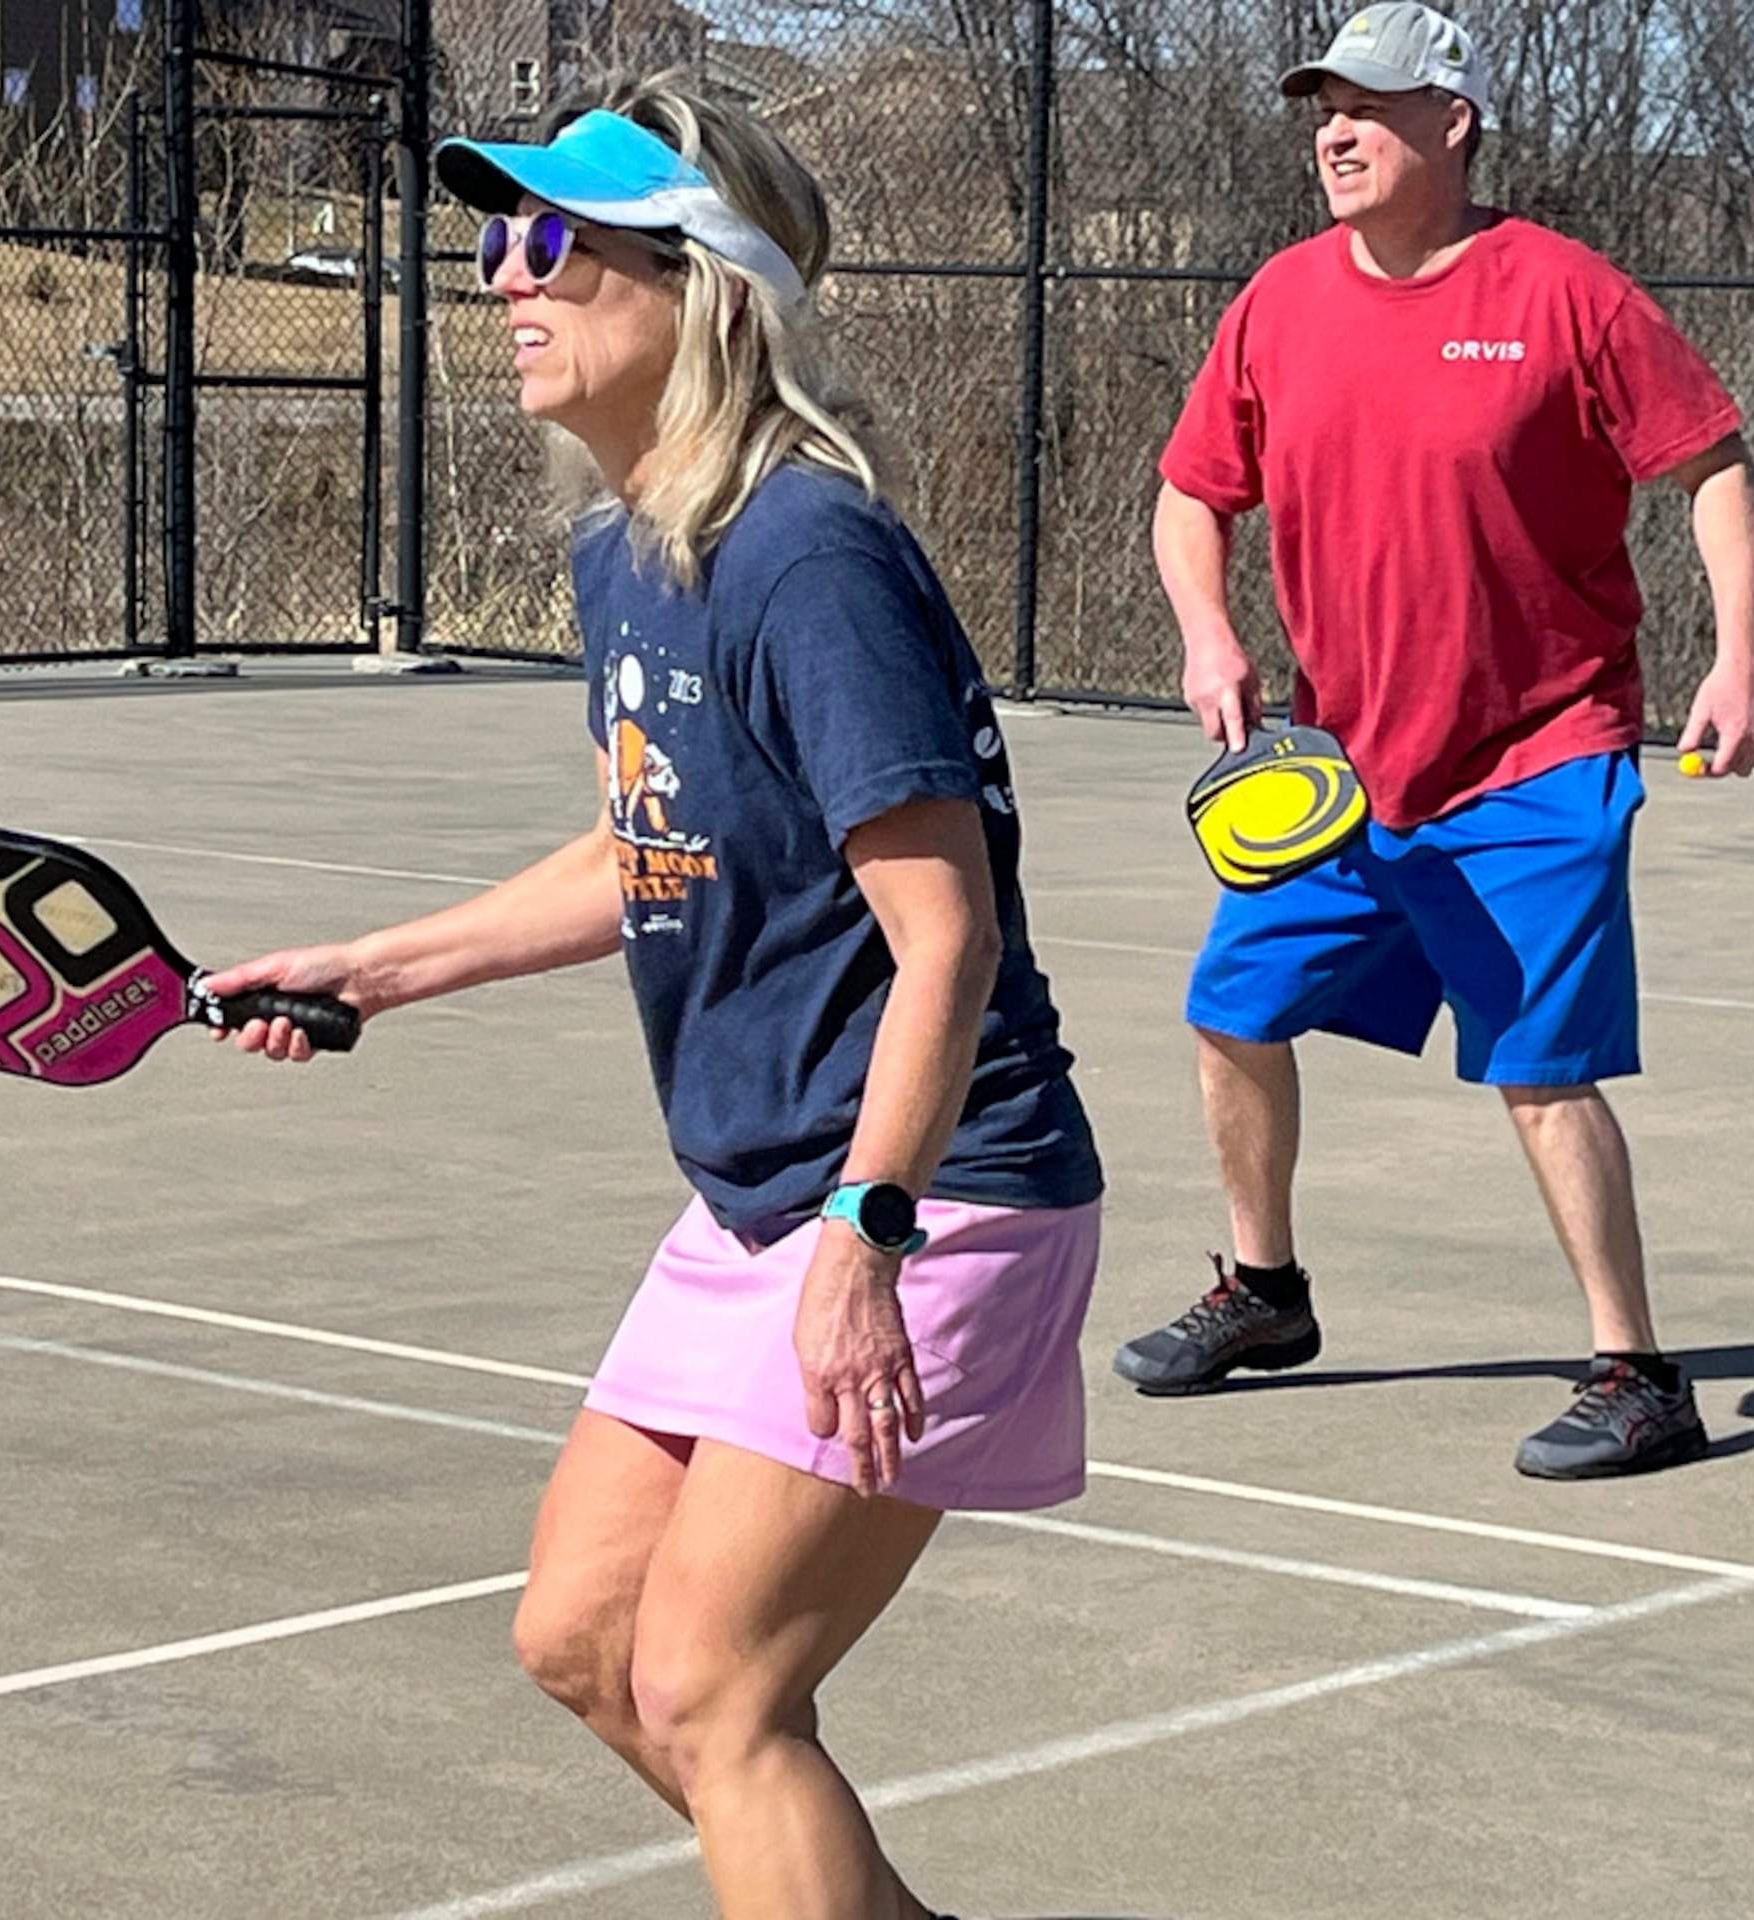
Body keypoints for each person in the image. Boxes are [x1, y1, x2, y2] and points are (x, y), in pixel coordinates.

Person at [206, 76, 1103, 1920]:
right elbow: (651, 842)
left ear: (704, 285)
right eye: (492, 242)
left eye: (554, 244)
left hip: (931, 1191)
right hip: (758, 1195)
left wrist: (869, 1230)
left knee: (717, 1691)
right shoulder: (629, 549)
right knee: (586, 1639)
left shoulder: (807, 555)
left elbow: (949, 937)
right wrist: (373, 964)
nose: (503, 282)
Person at [1111, 2, 1754, 1479]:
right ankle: (1266, 1294)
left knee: (1540, 1070)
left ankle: (1639, 1372)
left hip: (1538, 754)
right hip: (1345, 766)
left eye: (1369, 106)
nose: (1333, 132)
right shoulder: (1279, 302)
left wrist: (1741, 660)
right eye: (1322, 108)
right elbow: (1188, 493)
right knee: (1232, 1013)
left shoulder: (1567, 294)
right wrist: (1207, 632)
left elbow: (1711, 465)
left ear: (1452, 123)